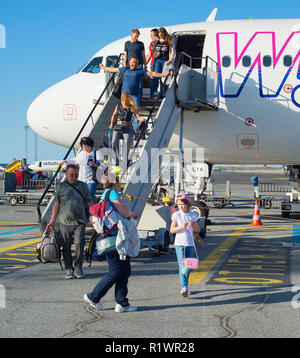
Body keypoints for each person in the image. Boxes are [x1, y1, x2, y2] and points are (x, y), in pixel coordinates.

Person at [84, 173, 138, 312]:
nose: (120, 184)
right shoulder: (112, 193)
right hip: (115, 240)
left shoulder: (105, 194)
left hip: (113, 238)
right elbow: (124, 211)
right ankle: (94, 296)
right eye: (119, 181)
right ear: (114, 182)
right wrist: (131, 214)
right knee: (116, 271)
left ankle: (122, 303)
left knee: (125, 271)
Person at [99, 57, 170, 133]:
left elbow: (151, 73)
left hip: (134, 96)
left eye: (136, 63)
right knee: (121, 113)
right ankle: (121, 130)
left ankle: (136, 133)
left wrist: (163, 75)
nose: (134, 64)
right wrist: (103, 67)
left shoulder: (140, 71)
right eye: (133, 62)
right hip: (124, 97)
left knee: (135, 115)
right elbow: (113, 69)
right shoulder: (125, 69)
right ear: (129, 63)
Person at [46, 164, 93, 279]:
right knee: (66, 246)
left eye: (76, 175)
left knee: (79, 244)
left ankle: (78, 267)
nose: (74, 177)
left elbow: (89, 202)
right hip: (64, 221)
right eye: (71, 175)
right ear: (66, 175)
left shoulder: (83, 186)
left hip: (80, 221)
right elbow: (56, 205)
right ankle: (68, 268)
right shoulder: (61, 187)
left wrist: (94, 216)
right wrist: (52, 220)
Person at [170, 193, 200, 297]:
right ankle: (184, 287)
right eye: (178, 204)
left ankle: (186, 286)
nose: (181, 206)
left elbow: (198, 230)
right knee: (182, 265)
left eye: (182, 204)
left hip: (190, 243)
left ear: (187, 204)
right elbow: (172, 230)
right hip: (179, 243)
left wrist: (193, 225)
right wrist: (181, 226)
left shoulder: (192, 215)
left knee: (188, 265)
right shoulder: (176, 215)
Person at [60, 136, 105, 203]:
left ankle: (96, 210)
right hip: (82, 178)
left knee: (90, 194)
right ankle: (88, 210)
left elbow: (103, 166)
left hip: (92, 179)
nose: (84, 148)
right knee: (82, 195)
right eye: (83, 147)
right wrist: (65, 161)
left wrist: (94, 165)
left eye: (86, 146)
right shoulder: (82, 153)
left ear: (90, 145)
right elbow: (74, 161)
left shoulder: (97, 153)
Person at [110, 92, 144, 167]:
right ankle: (116, 160)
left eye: (126, 100)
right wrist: (111, 123)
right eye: (124, 100)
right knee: (114, 141)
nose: (125, 101)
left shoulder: (131, 107)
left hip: (127, 125)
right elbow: (114, 115)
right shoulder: (118, 106)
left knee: (127, 143)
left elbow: (137, 116)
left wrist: (141, 119)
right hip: (118, 125)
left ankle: (125, 161)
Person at [150, 27, 174, 97]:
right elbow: (152, 52)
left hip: (166, 61)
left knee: (165, 78)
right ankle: (154, 94)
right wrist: (156, 53)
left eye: (161, 33)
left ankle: (164, 94)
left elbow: (172, 52)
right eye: (159, 34)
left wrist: (170, 60)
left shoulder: (168, 41)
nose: (160, 35)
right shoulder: (156, 42)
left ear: (164, 33)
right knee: (156, 78)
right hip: (157, 61)